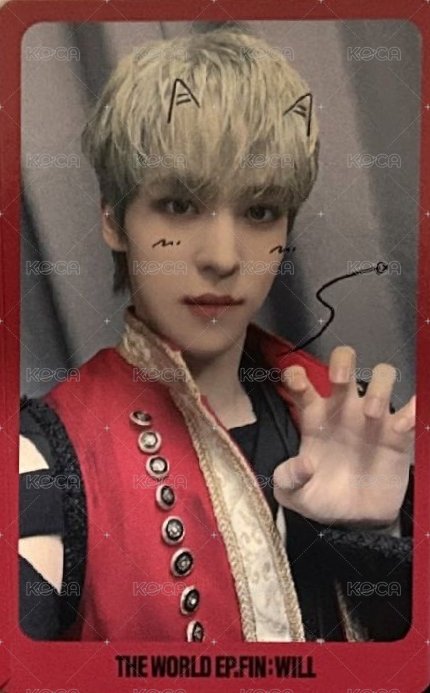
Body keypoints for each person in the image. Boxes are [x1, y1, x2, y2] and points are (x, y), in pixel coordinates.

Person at [19, 23, 414, 643]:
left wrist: (378, 540)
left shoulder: (365, 430)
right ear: (114, 221)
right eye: (179, 205)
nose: (224, 257)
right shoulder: (41, 461)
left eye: (259, 211)